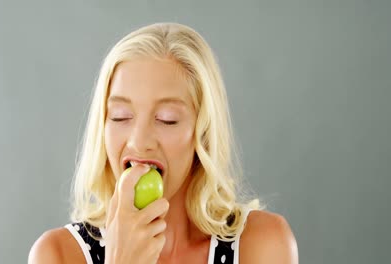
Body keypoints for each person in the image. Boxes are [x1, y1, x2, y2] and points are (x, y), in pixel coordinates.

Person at [28, 22, 298, 264]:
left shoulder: (263, 245)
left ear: (202, 133)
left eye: (166, 119)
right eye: (121, 116)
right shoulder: (57, 255)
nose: (139, 141)